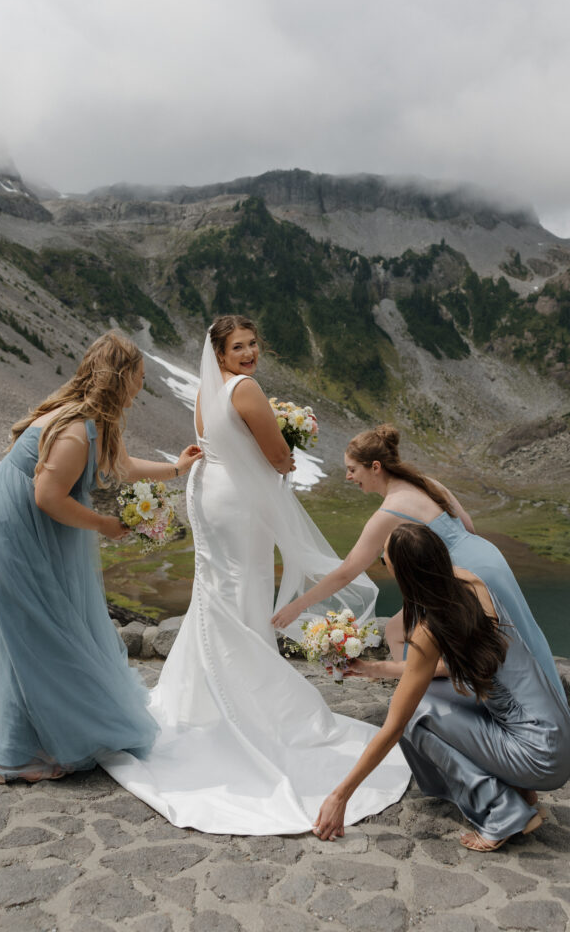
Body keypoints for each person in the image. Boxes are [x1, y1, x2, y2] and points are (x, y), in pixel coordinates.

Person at [100, 316, 410, 834]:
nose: (248, 354)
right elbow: (276, 455)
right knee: (245, 590)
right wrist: (289, 454)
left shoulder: (207, 388)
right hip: (238, 501)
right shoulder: (246, 389)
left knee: (216, 590)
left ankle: (204, 696)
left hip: (208, 490)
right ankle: (245, 700)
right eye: (238, 347)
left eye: (252, 344)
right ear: (220, 354)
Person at [271, 423, 570, 776]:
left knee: (495, 645)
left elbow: (348, 571)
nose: (348, 477)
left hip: (463, 572)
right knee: (413, 630)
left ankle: (445, 705)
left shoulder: (389, 512)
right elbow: (467, 525)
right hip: (486, 559)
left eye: (352, 469)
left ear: (375, 467)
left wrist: (297, 606)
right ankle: (430, 697)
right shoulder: (428, 483)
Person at [0, 331, 202, 784]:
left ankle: (34, 742)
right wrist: (105, 525)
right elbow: (48, 497)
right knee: (38, 633)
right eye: (140, 376)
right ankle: (16, 757)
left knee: (43, 632)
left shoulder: (96, 423)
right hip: (8, 529)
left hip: (20, 526)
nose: (142, 385)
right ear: (122, 376)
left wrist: (177, 468)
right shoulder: (76, 430)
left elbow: (122, 466)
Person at [312, 523, 570, 850]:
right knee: (431, 695)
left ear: (405, 574)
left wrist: (340, 796)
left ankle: (501, 810)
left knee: (415, 717)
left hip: (539, 754)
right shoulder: (471, 582)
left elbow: (394, 727)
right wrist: (374, 668)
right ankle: (520, 791)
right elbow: (453, 669)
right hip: (564, 736)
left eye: (387, 562)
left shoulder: (430, 629)